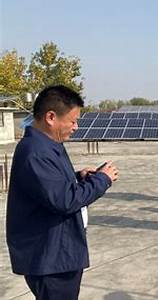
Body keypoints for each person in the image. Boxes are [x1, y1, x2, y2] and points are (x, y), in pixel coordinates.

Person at [6, 85, 119, 300]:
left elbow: (49, 187)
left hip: (57, 251)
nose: (76, 126)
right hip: (50, 258)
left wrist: (78, 177)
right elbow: (65, 200)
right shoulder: (36, 152)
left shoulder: (48, 145)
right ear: (50, 117)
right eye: (73, 120)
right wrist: (102, 180)